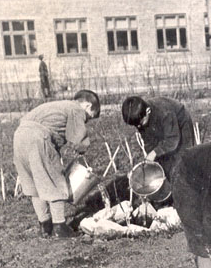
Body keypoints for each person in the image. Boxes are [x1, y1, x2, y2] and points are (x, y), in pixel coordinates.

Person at [13, 90, 100, 238]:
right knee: (55, 180)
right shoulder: (76, 109)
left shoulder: (58, 105)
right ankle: (60, 226)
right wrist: (82, 148)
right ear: (87, 105)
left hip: (19, 137)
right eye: (89, 117)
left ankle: (45, 225)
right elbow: (78, 138)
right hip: (38, 138)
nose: (86, 121)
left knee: (34, 184)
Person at [121, 96, 195, 179]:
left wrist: (154, 153)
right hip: (161, 124)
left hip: (180, 122)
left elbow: (172, 139)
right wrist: (152, 158)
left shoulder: (164, 112)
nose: (138, 127)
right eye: (136, 125)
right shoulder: (140, 118)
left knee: (183, 159)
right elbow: (148, 141)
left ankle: (185, 181)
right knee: (163, 161)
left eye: (140, 124)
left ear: (147, 111)